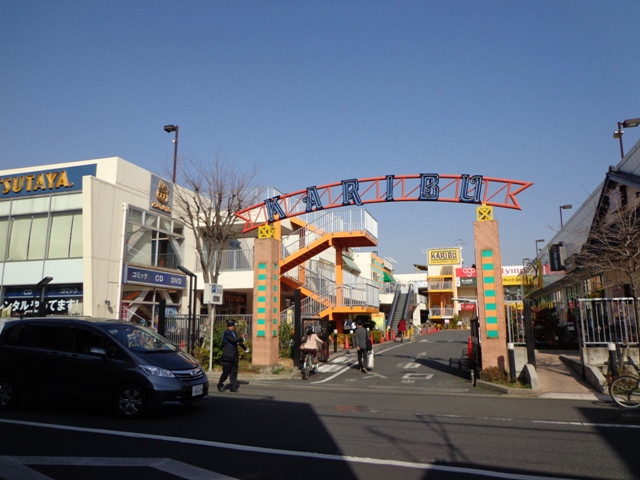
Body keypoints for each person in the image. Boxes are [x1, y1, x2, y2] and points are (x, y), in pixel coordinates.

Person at [217, 320, 249, 393]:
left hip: (234, 356)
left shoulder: (234, 333)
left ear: (233, 326)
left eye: (231, 326)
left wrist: (245, 347)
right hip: (228, 357)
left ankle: (233, 387)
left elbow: (237, 342)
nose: (230, 327)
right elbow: (233, 340)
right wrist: (243, 338)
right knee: (226, 373)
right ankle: (220, 384)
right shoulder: (226, 333)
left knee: (234, 373)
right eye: (229, 326)